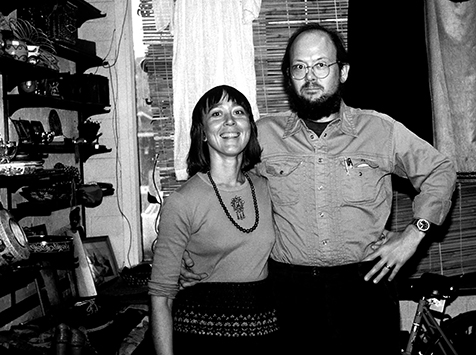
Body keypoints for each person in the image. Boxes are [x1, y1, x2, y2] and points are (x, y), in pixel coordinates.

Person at [180, 23, 457, 352]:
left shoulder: (380, 130)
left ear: (343, 72)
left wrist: (414, 233)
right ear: (289, 77)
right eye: (299, 67)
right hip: (287, 294)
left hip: (365, 289)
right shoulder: (262, 134)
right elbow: (216, 183)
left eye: (321, 65)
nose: (310, 76)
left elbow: (440, 170)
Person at [148, 85, 279, 354]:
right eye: (217, 114)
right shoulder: (182, 201)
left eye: (238, 112)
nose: (230, 120)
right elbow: (161, 297)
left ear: (250, 128)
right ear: (203, 133)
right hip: (201, 341)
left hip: (263, 337)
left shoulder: (268, 188)